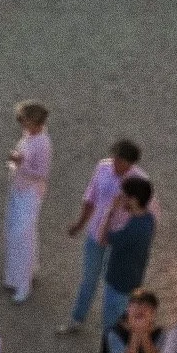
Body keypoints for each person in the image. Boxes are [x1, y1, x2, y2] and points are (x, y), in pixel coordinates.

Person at [56, 138, 145, 336]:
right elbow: (91, 197)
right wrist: (80, 224)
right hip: (96, 234)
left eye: (121, 161)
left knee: (114, 286)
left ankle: (119, 328)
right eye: (115, 158)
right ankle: (77, 319)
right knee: (89, 278)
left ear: (131, 164)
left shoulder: (139, 181)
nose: (115, 164)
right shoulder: (103, 168)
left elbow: (145, 213)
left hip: (117, 241)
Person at [3, 102, 52, 304]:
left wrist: (19, 162)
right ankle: (23, 273)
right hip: (20, 189)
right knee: (19, 232)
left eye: (25, 121)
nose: (22, 125)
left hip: (30, 193)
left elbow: (41, 173)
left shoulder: (43, 143)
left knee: (21, 235)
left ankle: (24, 285)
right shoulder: (30, 136)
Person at [100, 175, 156, 340]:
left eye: (124, 195)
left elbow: (104, 238)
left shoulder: (132, 229)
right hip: (133, 281)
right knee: (125, 326)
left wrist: (110, 212)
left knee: (111, 330)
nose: (120, 198)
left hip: (118, 284)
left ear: (134, 199)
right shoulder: (149, 219)